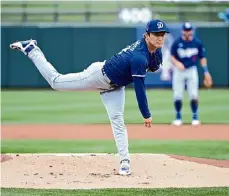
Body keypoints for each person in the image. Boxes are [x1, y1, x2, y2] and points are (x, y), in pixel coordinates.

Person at [10, 19, 169, 175]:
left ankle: (125, 161)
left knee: (118, 121)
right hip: (98, 76)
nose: (160, 37)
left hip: (114, 86)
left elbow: (154, 66)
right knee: (56, 82)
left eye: (162, 34)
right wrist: (146, 114)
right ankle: (32, 49)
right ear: (146, 35)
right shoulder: (139, 57)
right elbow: (139, 88)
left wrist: (156, 57)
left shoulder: (154, 48)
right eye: (156, 34)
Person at [170, 22, 212, 126]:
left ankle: (195, 117)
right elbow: (172, 56)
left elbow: (202, 58)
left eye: (189, 30)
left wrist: (206, 72)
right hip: (179, 71)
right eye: (186, 30)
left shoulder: (197, 43)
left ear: (192, 31)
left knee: (193, 94)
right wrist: (177, 63)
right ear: (182, 31)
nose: (187, 32)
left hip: (191, 70)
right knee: (177, 95)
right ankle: (178, 117)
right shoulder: (177, 42)